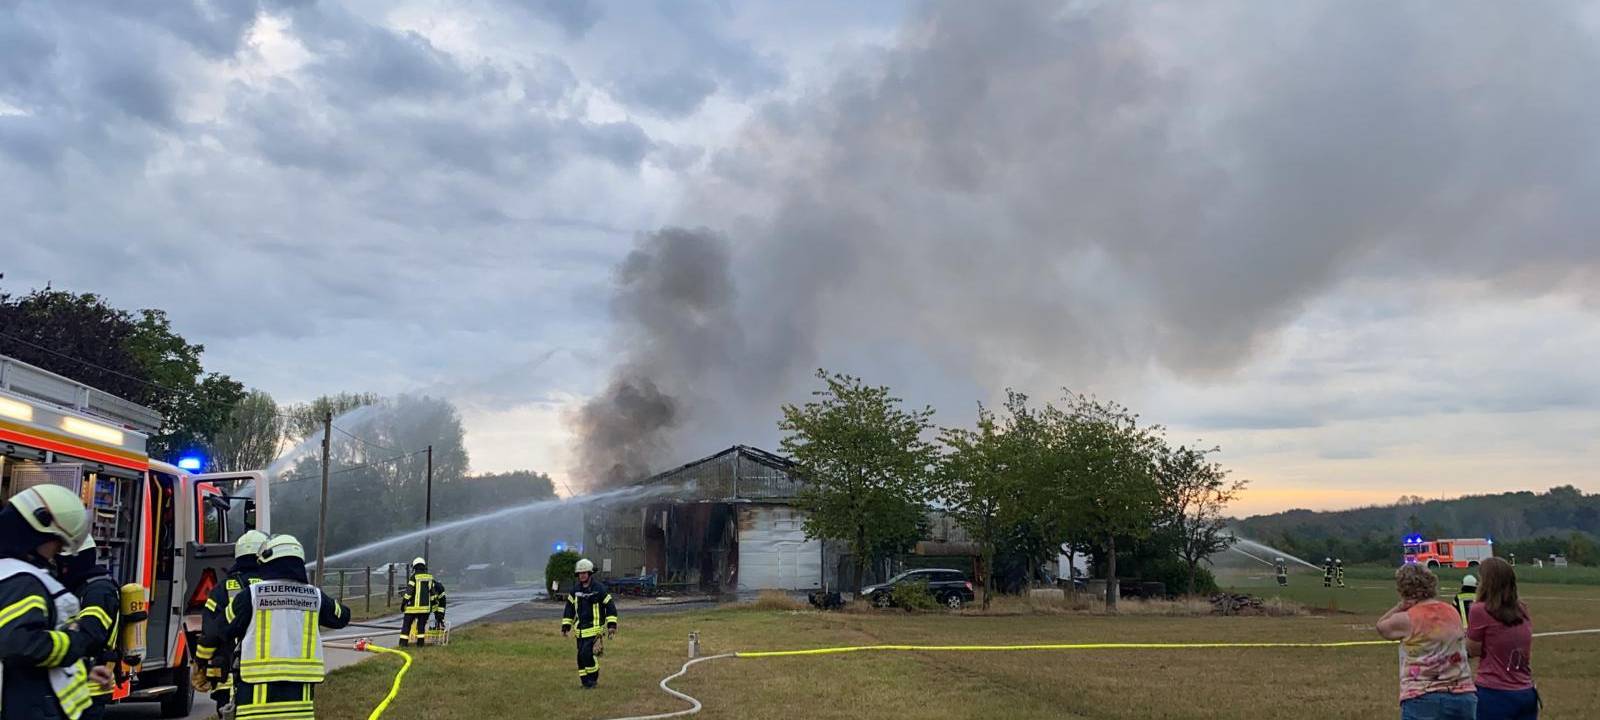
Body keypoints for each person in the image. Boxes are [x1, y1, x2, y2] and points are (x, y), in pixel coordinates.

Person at [216, 534, 351, 720]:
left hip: (256, 702)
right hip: (299, 702)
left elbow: (221, 628)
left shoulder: (252, 595)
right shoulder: (315, 596)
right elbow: (342, 617)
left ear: (268, 560)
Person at [0, 484, 100, 719]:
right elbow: (18, 643)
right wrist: (74, 641)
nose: (57, 554)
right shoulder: (23, 580)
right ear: (39, 529)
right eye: (58, 544)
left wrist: (83, 670)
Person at [1376, 563, 1476, 720]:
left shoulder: (1407, 618)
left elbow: (1382, 627)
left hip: (1422, 697)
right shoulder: (1452, 611)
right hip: (1463, 696)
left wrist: (1400, 607)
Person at [195, 528, 268, 716]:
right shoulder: (273, 587)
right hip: (268, 674)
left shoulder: (221, 590)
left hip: (226, 677)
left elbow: (210, 632)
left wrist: (201, 665)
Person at [1467, 557, 1537, 720]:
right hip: (1525, 691)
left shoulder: (1480, 610)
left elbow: (1473, 649)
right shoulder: (1522, 609)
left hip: (1494, 693)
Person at [59, 537, 121, 720]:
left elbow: (92, 634)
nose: (61, 569)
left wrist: (53, 640)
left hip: (89, 690)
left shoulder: (98, 591)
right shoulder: (81, 588)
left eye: (64, 563)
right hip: (74, 686)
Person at [560, 558, 617, 689]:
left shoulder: (599, 589)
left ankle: (593, 678)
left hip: (594, 630)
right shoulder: (575, 591)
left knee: (586, 655)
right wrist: (566, 626)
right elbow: (569, 609)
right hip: (580, 631)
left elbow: (610, 606)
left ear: (590, 573)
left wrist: (612, 625)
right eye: (580, 573)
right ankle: (585, 682)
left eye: (585, 573)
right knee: (580, 658)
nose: (582, 575)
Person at [400, 557, 446, 647]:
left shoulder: (413, 577)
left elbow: (409, 593)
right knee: (421, 627)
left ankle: (403, 644)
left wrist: (403, 603)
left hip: (412, 609)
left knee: (406, 626)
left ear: (415, 567)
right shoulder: (429, 577)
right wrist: (435, 611)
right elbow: (432, 595)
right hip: (425, 609)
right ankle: (420, 644)